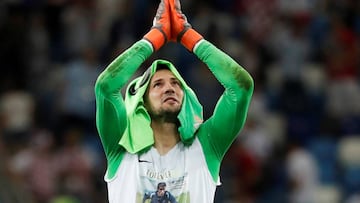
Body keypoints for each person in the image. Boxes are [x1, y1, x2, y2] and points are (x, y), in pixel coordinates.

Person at [94, 0, 254, 202]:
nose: (169, 87)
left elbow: (241, 87)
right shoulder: (122, 144)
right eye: (158, 84)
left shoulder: (206, 145)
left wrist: (187, 36)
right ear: (142, 101)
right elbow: (105, 87)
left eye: (176, 84)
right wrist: (156, 35)